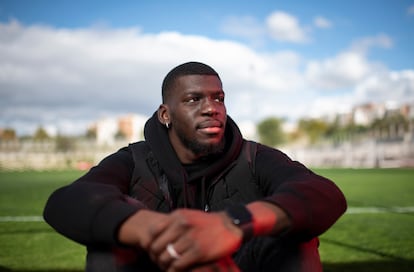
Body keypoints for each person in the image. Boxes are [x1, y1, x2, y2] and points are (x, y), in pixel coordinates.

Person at [44, 61, 347, 272]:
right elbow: (67, 201)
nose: (211, 108)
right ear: (166, 114)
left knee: (297, 238)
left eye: (219, 98)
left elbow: (323, 193)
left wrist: (232, 224)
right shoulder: (134, 159)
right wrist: (155, 232)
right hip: (164, 264)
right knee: (107, 246)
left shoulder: (254, 156)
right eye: (193, 99)